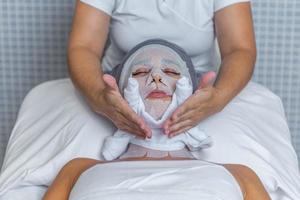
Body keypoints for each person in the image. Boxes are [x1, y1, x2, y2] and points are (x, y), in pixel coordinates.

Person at [42, 40, 270, 200]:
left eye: (171, 72)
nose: (156, 76)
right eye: (140, 72)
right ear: (118, 96)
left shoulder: (241, 175)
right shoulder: (76, 170)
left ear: (195, 93)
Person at [67, 0, 257, 140]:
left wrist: (218, 98)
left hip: (199, 91)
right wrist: (99, 98)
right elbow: (83, 47)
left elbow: (239, 49)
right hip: (118, 90)